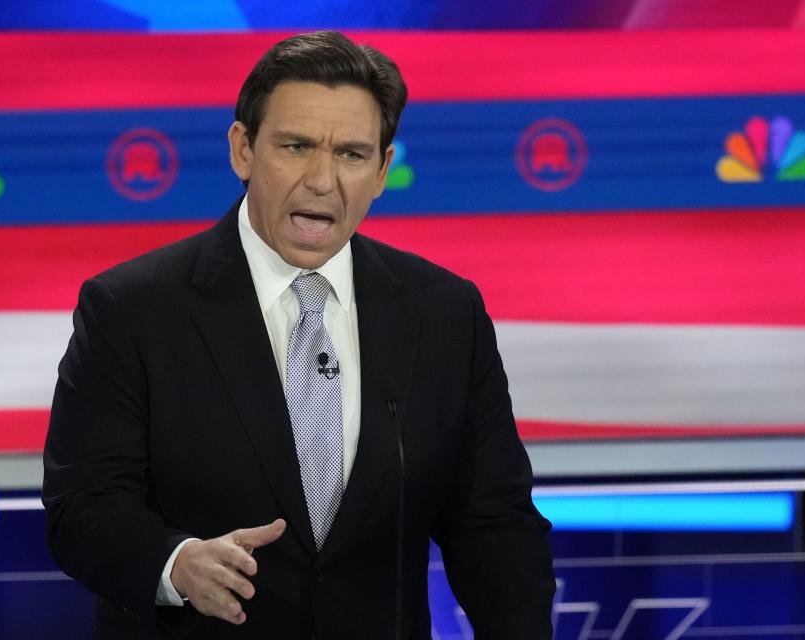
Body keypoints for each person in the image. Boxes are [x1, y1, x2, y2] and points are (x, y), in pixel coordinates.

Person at [43, 30, 554, 639]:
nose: (322, 180)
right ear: (243, 149)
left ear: (383, 170)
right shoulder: (132, 309)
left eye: (352, 154)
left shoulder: (443, 313)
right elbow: (83, 505)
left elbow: (494, 525)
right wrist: (174, 564)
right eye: (296, 145)